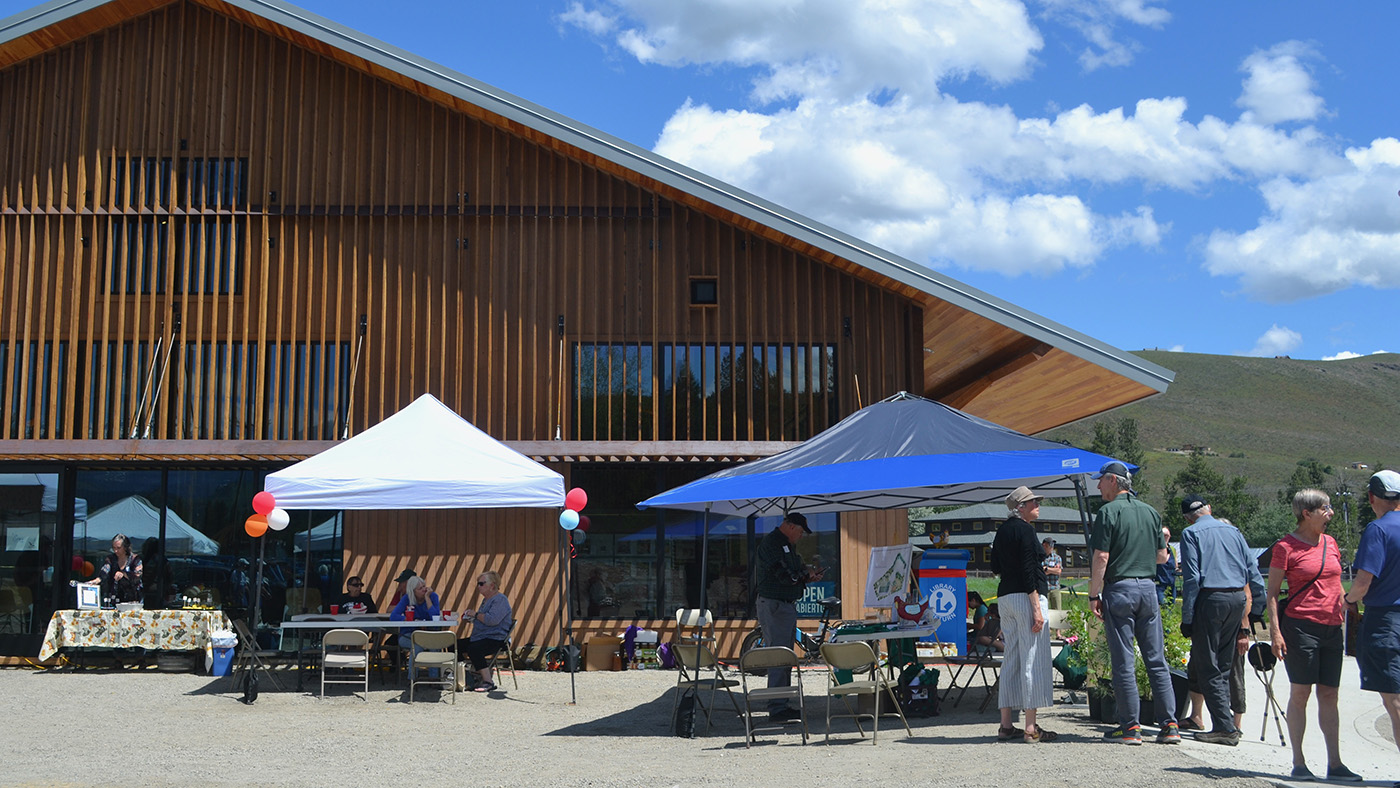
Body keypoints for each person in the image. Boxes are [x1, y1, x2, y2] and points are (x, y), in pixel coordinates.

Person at [1267, 489, 1361, 782]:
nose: (1330, 513)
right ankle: (1299, 763)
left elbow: (1337, 582)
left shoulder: (1331, 543)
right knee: (1301, 693)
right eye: (1325, 508)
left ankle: (1335, 764)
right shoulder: (1285, 547)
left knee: (1330, 694)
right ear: (1306, 513)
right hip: (1300, 627)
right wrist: (1276, 633)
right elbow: (1271, 594)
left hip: (1333, 627)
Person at [1087, 460, 1179, 745]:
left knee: (1124, 661)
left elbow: (1101, 557)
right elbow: (1163, 557)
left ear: (1113, 481)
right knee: (1156, 659)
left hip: (1120, 589)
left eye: (1101, 480)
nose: (1098, 485)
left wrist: (1093, 594)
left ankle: (1131, 728)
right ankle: (1170, 725)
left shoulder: (1107, 512)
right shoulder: (1151, 512)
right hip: (1148, 589)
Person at [1179, 494, 1256, 747]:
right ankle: (1226, 724)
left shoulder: (1191, 534)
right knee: (1223, 664)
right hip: (1236, 599)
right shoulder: (1233, 531)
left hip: (1211, 599)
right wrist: (1256, 608)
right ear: (1209, 509)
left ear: (1188, 518)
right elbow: (1251, 570)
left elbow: (1191, 578)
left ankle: (1223, 726)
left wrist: (1187, 617)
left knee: (1206, 663)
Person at [990, 486, 1056, 742]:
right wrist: (1036, 608)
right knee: (1033, 658)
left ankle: (1006, 724)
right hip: (1026, 596)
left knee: (1011, 659)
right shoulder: (1026, 530)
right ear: (1021, 507)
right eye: (1033, 501)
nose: (1038, 503)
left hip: (1005, 596)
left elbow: (995, 566)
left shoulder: (1002, 530)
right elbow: (1029, 569)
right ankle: (1030, 726)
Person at [1343, 469, 1400, 761]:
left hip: (1386, 619)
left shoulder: (1378, 530)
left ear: (1371, 497)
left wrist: (1348, 600)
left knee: (1394, 697)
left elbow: (1363, 583)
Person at [754, 511, 825, 722]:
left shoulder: (785, 544)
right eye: (801, 532)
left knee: (783, 655)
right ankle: (777, 707)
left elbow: (793, 573)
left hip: (781, 605)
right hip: (776, 605)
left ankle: (781, 702)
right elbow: (786, 576)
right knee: (778, 656)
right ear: (791, 526)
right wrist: (805, 575)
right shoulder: (773, 544)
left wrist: (807, 574)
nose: (801, 536)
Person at [460, 570, 512, 692]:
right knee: (453, 645)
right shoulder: (486, 600)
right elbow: (483, 619)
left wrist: (476, 614)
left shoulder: (500, 600)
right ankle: (466, 676)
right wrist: (472, 618)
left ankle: (488, 682)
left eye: (481, 583)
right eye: (478, 583)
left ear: (492, 585)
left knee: (474, 649)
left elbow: (492, 620)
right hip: (482, 636)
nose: (478, 586)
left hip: (496, 639)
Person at [389, 575, 441, 655]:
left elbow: (435, 617)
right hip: (409, 634)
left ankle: (433, 668)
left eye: (424, 586)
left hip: (430, 633)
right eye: (420, 588)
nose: (424, 590)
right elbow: (393, 616)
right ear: (413, 592)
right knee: (416, 647)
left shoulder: (433, 596)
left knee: (434, 645)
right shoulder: (407, 598)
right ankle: (414, 668)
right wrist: (408, 619)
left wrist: (427, 598)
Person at [96, 534, 142, 604]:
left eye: (118, 548)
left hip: (133, 599)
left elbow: (137, 576)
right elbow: (105, 570)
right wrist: (98, 579)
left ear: (126, 547)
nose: (116, 551)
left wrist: (124, 574)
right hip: (115, 598)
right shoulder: (111, 559)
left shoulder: (135, 559)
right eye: (114, 548)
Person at [139, 537, 171, 610]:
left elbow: (145, 576)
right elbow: (169, 576)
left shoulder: (144, 559)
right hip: (158, 590)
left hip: (148, 591)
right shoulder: (163, 560)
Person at [1156, 527, 1178, 605]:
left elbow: (1175, 565)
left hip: (1171, 584)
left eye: (1167, 535)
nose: (1165, 537)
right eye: (1163, 535)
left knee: (1171, 605)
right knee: (1162, 605)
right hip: (1159, 584)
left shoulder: (1173, 549)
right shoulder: (1155, 549)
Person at [1041, 537, 1063, 610]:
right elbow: (1041, 572)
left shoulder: (1057, 558)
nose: (1051, 547)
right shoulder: (1039, 557)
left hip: (1055, 588)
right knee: (1044, 610)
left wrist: (1047, 569)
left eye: (1052, 545)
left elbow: (1059, 571)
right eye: (1049, 545)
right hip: (1043, 589)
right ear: (1044, 545)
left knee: (1057, 610)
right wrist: (1053, 569)